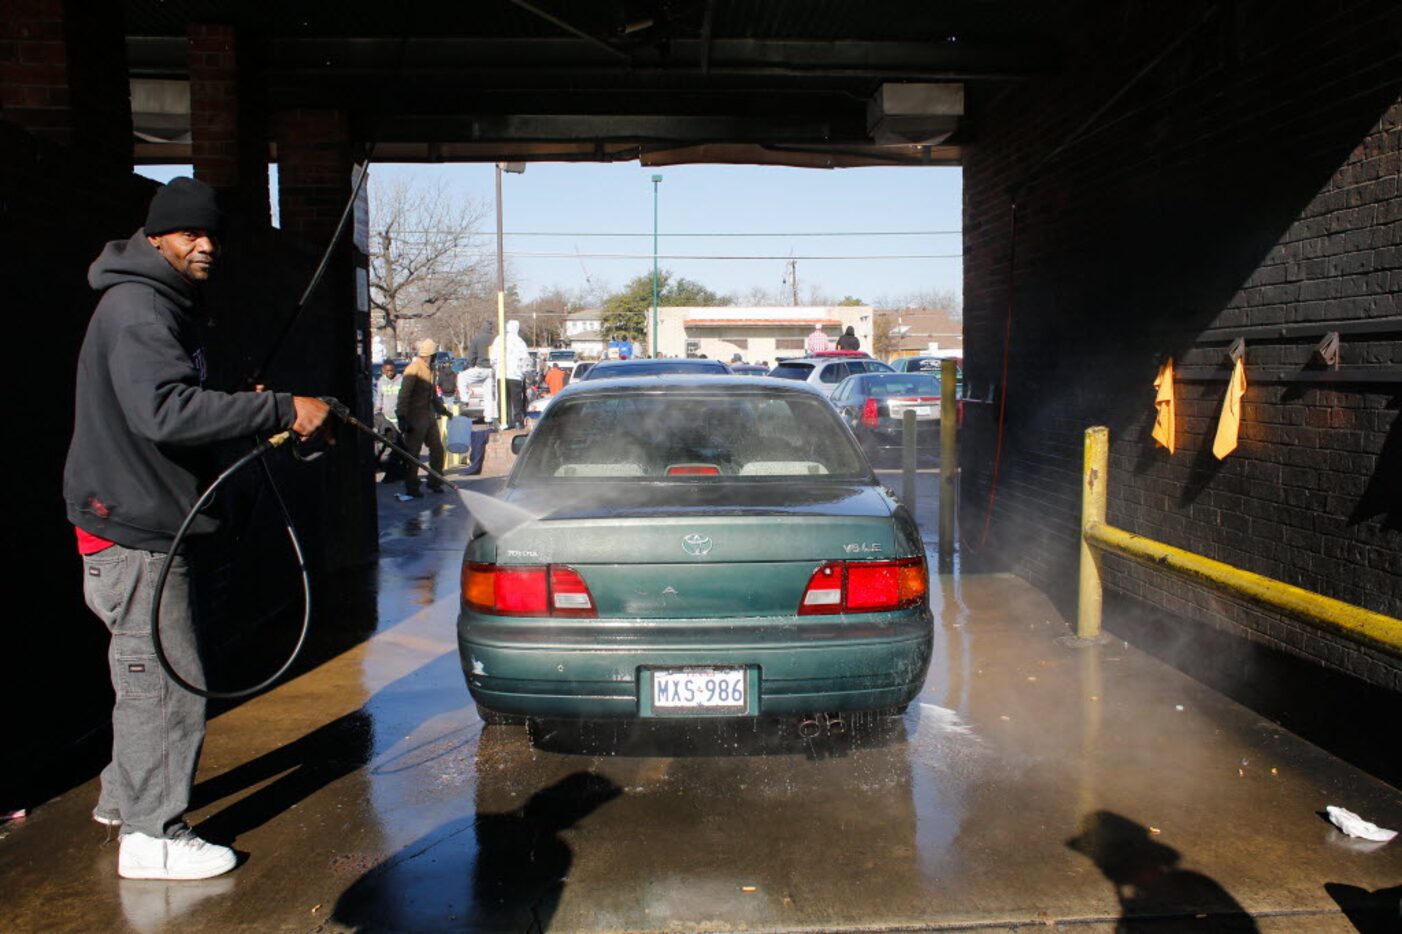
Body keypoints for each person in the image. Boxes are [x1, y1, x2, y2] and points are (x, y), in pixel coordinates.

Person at [63, 177, 331, 881]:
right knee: (164, 681)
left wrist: (235, 406)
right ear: (157, 238)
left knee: (141, 672)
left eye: (210, 235)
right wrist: (275, 410)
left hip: (130, 516)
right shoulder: (142, 309)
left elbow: (171, 403)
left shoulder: (155, 302)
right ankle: (153, 838)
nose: (205, 245)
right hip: (137, 526)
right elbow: (163, 413)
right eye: (189, 234)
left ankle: (124, 799)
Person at [395, 339, 451, 498]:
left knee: (437, 450)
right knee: (413, 453)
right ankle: (411, 486)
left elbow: (433, 395)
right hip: (415, 416)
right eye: (434, 355)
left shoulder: (430, 370)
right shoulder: (413, 369)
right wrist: (402, 416)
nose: (435, 358)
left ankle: (435, 482)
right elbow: (404, 395)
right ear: (429, 355)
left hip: (429, 416)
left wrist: (443, 410)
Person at [489, 320, 532, 429]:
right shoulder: (520, 341)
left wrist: (497, 369)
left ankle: (503, 421)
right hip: (515, 375)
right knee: (516, 400)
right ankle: (518, 421)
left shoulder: (498, 340)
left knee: (502, 399)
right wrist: (524, 374)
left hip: (501, 374)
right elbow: (525, 360)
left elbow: (492, 359)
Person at [373, 361, 406, 482]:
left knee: (401, 447)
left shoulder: (401, 380)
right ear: (383, 371)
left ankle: (400, 471)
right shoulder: (381, 381)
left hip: (399, 419)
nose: (390, 373)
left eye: (392, 370)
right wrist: (377, 412)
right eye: (387, 371)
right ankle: (391, 471)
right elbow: (379, 398)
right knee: (391, 447)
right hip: (387, 419)